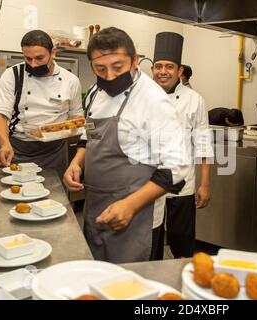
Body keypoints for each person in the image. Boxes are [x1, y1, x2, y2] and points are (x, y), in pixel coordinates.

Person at [63, 27, 189, 263]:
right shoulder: (95, 92)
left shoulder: (153, 100)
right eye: (100, 69)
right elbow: (88, 133)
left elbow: (177, 168)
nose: (109, 76)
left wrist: (131, 205)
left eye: (118, 67)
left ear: (135, 60)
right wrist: (77, 162)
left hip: (136, 216)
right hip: (96, 208)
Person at [152, 32, 213, 259]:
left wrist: (205, 184)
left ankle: (182, 282)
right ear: (152, 70)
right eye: (158, 66)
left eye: (169, 66)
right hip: (149, 182)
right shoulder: (142, 96)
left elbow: (203, 144)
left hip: (183, 182)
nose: (163, 71)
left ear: (179, 71)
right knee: (152, 241)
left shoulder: (194, 99)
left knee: (182, 240)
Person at [0, 30, 83, 177]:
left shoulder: (71, 81)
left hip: (55, 152)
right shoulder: (12, 75)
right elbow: (0, 114)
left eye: (39, 58)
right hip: (18, 149)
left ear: (53, 52)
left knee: (55, 196)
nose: (33, 64)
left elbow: (77, 118)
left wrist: (66, 129)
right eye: (28, 59)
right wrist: (4, 144)